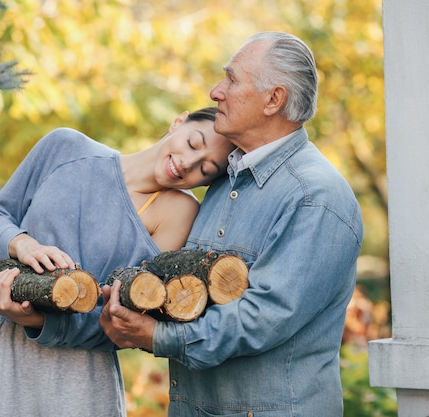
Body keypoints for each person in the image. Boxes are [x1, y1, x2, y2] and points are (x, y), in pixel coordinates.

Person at [100, 31, 364, 416]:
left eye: (231, 79)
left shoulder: (315, 198)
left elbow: (265, 317)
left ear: (274, 100)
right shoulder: (224, 182)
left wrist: (161, 338)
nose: (214, 91)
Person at [0, 106, 235, 417]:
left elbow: (123, 321)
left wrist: (37, 321)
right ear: (179, 121)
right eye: (193, 143)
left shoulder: (178, 212)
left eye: (206, 169)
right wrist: (22, 243)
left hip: (83, 377)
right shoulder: (65, 147)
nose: (188, 163)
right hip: (7, 357)